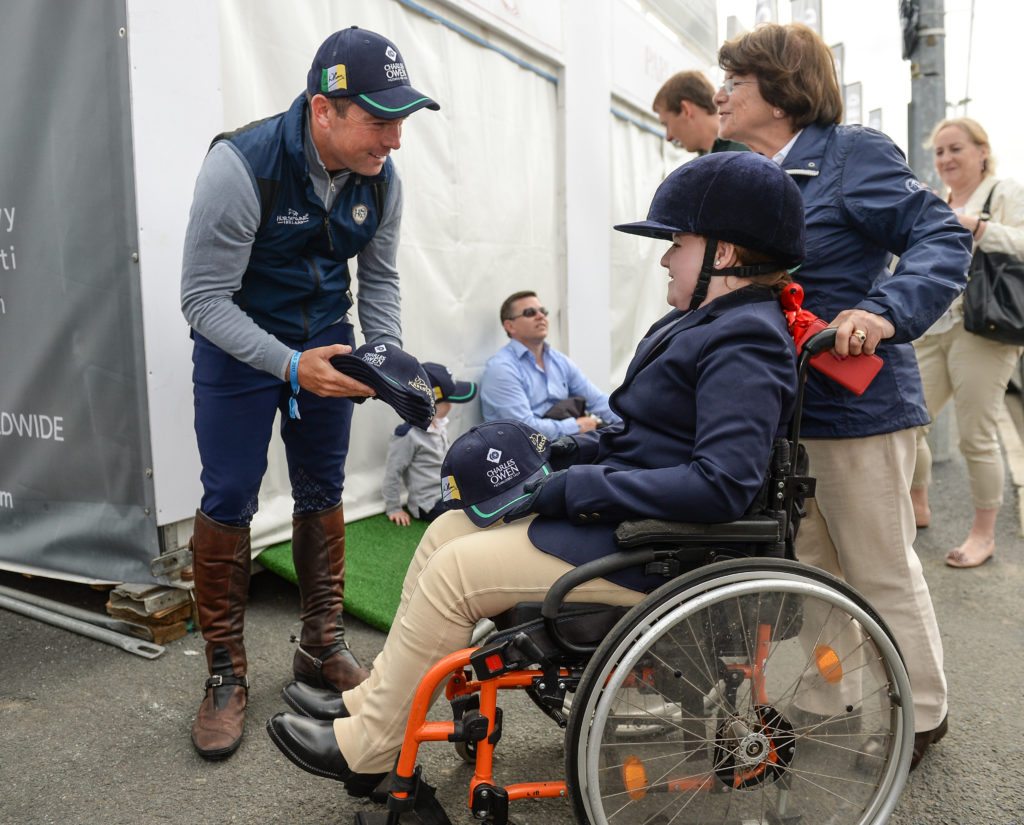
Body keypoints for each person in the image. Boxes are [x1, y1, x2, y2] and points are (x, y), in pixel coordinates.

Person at [263, 151, 805, 791]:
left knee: (458, 571)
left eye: (677, 244)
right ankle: (372, 706)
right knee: (446, 532)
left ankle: (370, 749)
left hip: (665, 550)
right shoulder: (708, 323)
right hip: (639, 524)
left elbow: (723, 484)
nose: (664, 258)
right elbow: (646, 437)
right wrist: (568, 453)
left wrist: (579, 486)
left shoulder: (747, 337)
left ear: (726, 252)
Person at [714, 22, 973, 768]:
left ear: (782, 89)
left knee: (880, 566)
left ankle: (925, 711)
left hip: (859, 407)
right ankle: (835, 693)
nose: (723, 92)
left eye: (737, 79)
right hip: (788, 408)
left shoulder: (852, 154)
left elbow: (941, 236)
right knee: (815, 571)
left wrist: (886, 309)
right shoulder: (754, 168)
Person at [179, 25, 439, 760]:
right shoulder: (242, 166)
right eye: (379, 120)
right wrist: (293, 366)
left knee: (322, 486)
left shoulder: (382, 178)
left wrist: (382, 358)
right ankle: (225, 673)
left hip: (327, 334)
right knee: (228, 494)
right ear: (324, 110)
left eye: (401, 121)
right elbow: (202, 299)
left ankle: (320, 644)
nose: (394, 140)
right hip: (238, 341)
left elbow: (380, 279)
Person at [911, 118, 1024, 568]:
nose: (946, 159)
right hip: (934, 327)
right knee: (907, 423)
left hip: (985, 329)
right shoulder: (938, 201)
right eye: (939, 152)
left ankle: (983, 534)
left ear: (982, 150)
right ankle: (918, 503)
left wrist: (977, 226)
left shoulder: (1003, 193)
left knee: (976, 436)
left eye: (955, 148)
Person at [479, 291, 622, 439]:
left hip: (562, 447)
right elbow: (524, 429)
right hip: (523, 455)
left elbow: (598, 401)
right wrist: (577, 426)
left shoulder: (559, 361)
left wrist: (632, 419)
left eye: (543, 311)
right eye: (530, 313)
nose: (540, 316)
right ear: (510, 326)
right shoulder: (501, 369)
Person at [383, 363, 477, 526]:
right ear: (430, 404)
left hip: (448, 492)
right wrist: (393, 508)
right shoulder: (408, 434)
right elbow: (393, 472)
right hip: (428, 504)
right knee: (468, 515)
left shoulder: (438, 425)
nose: (451, 406)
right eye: (447, 401)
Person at [652, 70, 748, 155]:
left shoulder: (744, 152)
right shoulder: (743, 148)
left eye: (666, 124)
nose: (668, 137)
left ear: (686, 110)